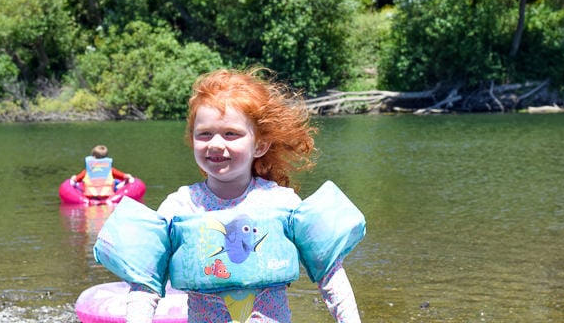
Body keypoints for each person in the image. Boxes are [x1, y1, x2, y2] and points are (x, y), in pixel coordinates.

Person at [96, 68, 364, 322]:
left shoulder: (282, 203)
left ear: (259, 145)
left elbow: (330, 273)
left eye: (231, 134)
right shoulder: (180, 207)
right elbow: (145, 285)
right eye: (205, 134)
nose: (215, 144)